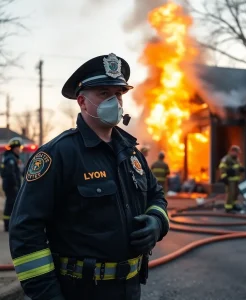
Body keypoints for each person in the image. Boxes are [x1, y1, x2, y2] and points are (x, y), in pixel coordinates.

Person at [9, 53, 169, 300]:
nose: (114, 101)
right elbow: (25, 231)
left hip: (130, 289)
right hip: (80, 291)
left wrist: (157, 222)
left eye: (118, 94)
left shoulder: (132, 154)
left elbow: (156, 195)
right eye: (104, 93)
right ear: (82, 102)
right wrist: (49, 296)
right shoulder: (57, 154)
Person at [0, 137, 22, 232]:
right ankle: (8, 225)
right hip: (11, 186)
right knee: (10, 204)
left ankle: (9, 224)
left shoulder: (11, 157)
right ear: (14, 148)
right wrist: (15, 185)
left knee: (11, 204)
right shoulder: (11, 159)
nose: (19, 150)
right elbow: (10, 174)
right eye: (18, 148)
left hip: (11, 186)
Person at [219, 145, 245, 212]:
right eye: (237, 152)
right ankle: (228, 208)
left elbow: (238, 166)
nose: (237, 154)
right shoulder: (226, 158)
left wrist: (241, 168)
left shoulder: (236, 158)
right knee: (231, 194)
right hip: (230, 180)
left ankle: (234, 205)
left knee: (236, 193)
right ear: (232, 151)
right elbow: (222, 168)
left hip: (236, 179)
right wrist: (224, 177)